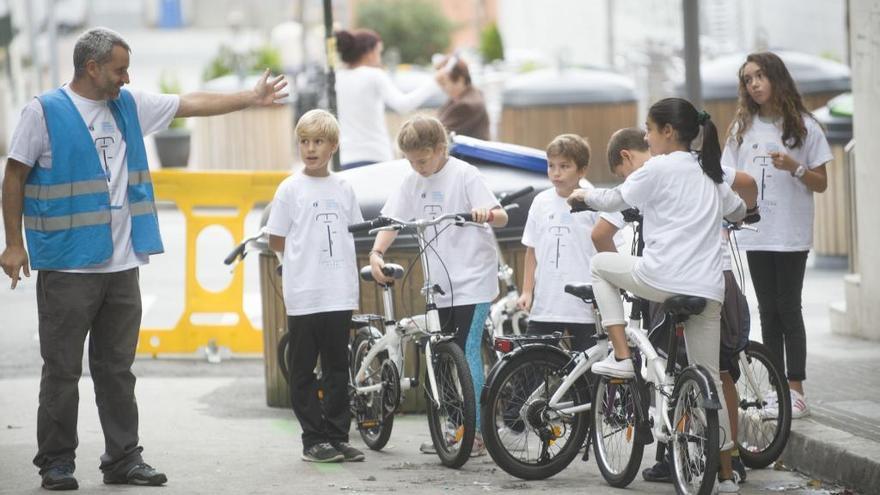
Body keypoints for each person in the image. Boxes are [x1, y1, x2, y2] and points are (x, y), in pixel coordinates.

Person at [0, 27, 288, 490]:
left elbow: (191, 103)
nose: (127, 77)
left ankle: (122, 459)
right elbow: (14, 175)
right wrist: (13, 244)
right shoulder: (44, 112)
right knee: (63, 371)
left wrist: (250, 97)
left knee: (116, 370)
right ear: (91, 68)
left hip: (120, 266)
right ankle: (56, 462)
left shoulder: (128, 105)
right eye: (119, 69)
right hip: (68, 267)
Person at [569, 99, 748, 492]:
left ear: (668, 132)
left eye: (649, 129)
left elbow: (615, 200)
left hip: (661, 279)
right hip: (708, 289)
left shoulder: (657, 168)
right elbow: (737, 209)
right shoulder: (710, 171)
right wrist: (743, 213)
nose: (647, 136)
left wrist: (582, 196)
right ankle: (725, 475)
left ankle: (621, 358)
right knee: (710, 381)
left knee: (600, 266)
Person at [368, 115, 508, 456]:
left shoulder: (464, 174)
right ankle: (452, 427)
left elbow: (500, 214)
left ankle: (474, 433)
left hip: (473, 279)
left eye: (423, 160)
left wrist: (484, 214)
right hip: (438, 284)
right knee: (441, 354)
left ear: (441, 149)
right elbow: (393, 221)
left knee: (465, 349)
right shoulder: (412, 181)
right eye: (411, 161)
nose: (418, 167)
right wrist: (376, 251)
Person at [721, 51, 832, 420]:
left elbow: (821, 183)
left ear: (776, 78)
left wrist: (795, 167)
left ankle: (797, 390)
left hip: (790, 233)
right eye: (747, 79)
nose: (753, 85)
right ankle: (775, 391)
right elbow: (726, 175)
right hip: (756, 232)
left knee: (789, 308)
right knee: (767, 311)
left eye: (759, 77)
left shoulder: (804, 126)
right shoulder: (742, 128)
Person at [265, 109, 364, 464]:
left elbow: (353, 232)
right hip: (305, 295)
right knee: (304, 368)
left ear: (333, 146)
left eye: (318, 141)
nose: (310, 148)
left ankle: (337, 436)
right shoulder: (290, 188)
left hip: (338, 292)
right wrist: (297, 264)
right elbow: (276, 239)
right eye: (304, 141)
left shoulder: (344, 187)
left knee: (338, 367)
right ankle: (313, 439)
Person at [516, 134, 624, 352]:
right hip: (546, 304)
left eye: (564, 166)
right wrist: (527, 291)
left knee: (588, 372)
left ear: (582, 170)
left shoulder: (595, 201)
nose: (556, 173)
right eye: (551, 165)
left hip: (584, 304)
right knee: (531, 366)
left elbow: (613, 247)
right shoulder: (540, 202)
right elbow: (531, 250)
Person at [335, 29, 438, 168]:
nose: (379, 58)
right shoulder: (374, 75)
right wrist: (435, 82)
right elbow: (403, 105)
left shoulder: (337, 77)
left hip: (345, 157)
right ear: (369, 52)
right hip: (375, 155)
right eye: (379, 52)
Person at [434, 55, 490, 140]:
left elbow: (435, 134)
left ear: (460, 79)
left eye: (444, 83)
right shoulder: (467, 96)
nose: (442, 88)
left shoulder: (466, 105)